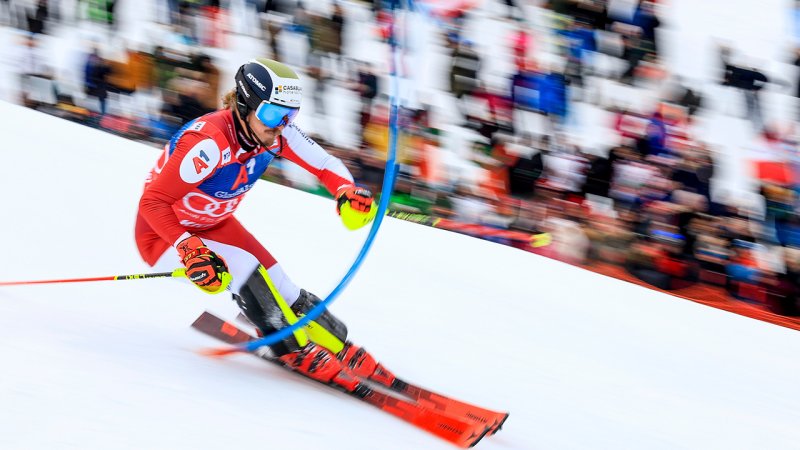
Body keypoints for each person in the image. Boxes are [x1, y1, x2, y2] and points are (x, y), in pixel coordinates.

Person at [134, 58, 380, 391]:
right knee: (246, 268)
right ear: (246, 105)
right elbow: (152, 202)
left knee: (282, 283)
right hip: (164, 234)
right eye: (272, 114)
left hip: (215, 223)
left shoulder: (275, 134)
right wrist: (188, 247)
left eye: (289, 116)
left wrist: (346, 190)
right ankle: (289, 349)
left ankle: (336, 343)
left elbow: (324, 164)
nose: (280, 125)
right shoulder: (210, 143)